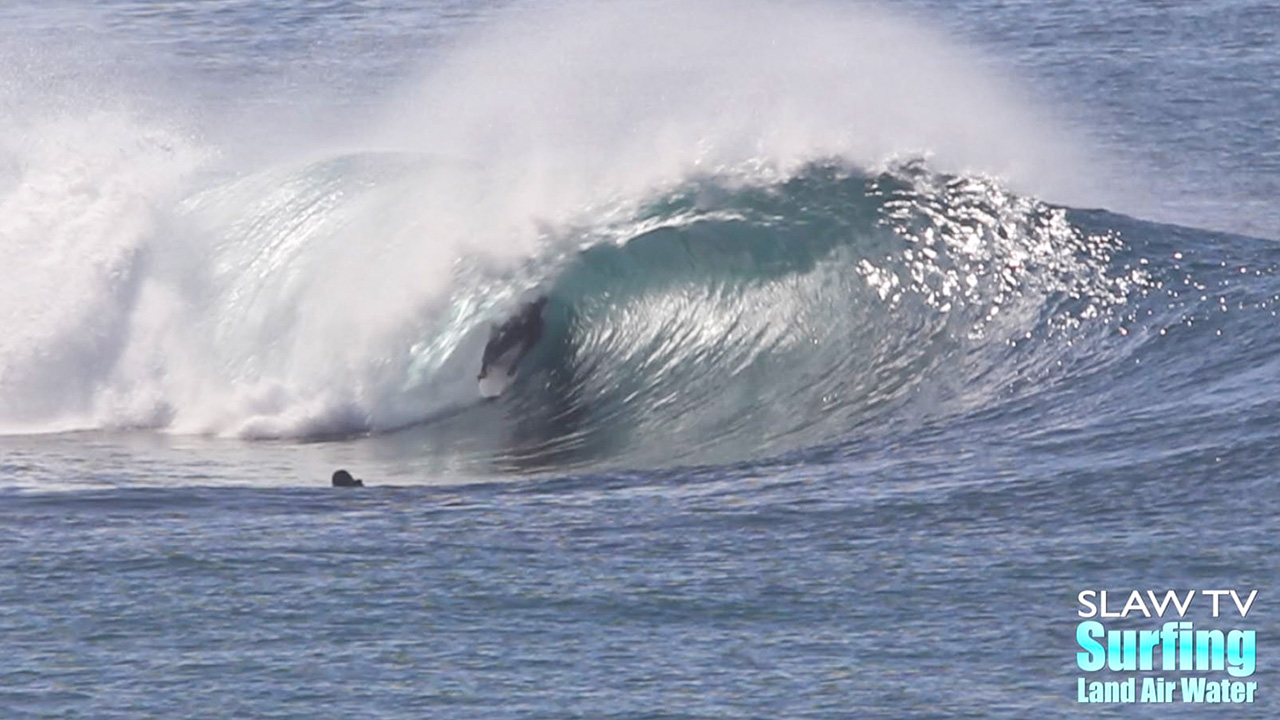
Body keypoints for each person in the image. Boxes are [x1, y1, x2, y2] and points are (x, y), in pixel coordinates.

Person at [478, 296, 548, 380]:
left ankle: (484, 368)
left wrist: (514, 365)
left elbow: (527, 348)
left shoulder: (536, 321)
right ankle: (484, 368)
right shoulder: (535, 317)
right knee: (496, 342)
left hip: (516, 334)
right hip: (514, 331)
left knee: (498, 345)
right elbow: (526, 348)